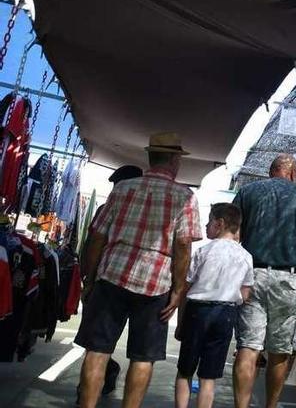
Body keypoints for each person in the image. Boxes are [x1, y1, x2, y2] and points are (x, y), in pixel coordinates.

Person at [76, 133, 202, 408]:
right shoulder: (185, 196)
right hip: (156, 284)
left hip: (112, 276)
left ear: (151, 157)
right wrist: (178, 289)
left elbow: (97, 236)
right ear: (174, 160)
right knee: (143, 356)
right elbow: (183, 246)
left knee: (97, 351)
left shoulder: (122, 189)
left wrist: (89, 278)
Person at [232, 154, 296, 408]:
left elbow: (233, 235)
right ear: (294, 174)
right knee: (279, 351)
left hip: (252, 276)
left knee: (248, 347)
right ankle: (270, 406)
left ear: (270, 171)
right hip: (288, 279)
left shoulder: (248, 192)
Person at [75, 165, 144, 405]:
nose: (115, 189)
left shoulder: (109, 208)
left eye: (118, 184)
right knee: (100, 343)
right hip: (133, 284)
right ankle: (101, 377)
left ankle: (88, 390)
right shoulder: (142, 210)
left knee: (95, 344)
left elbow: (93, 242)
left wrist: (88, 278)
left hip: (106, 280)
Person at [175, 203, 254, 408]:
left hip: (198, 311)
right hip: (226, 313)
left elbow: (186, 286)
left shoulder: (203, 252)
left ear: (219, 224)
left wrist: (181, 320)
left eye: (209, 221)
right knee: (208, 377)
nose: (206, 225)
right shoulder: (246, 256)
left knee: (185, 371)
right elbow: (245, 293)